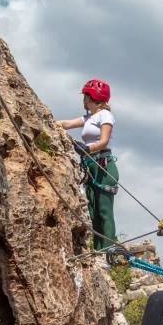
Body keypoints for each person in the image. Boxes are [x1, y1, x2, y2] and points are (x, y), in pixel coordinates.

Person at [57, 79, 119, 251]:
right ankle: (99, 252)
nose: (83, 99)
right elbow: (67, 124)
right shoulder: (89, 118)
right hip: (91, 165)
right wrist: (48, 120)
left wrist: (87, 148)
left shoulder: (105, 115)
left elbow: (104, 140)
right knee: (93, 212)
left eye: (85, 95)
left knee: (104, 212)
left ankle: (108, 253)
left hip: (103, 165)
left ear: (91, 97)